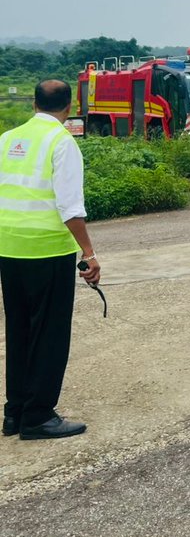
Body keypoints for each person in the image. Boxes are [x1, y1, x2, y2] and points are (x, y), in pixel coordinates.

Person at [0, 80, 101, 440]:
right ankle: (39, 415)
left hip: (10, 249)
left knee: (20, 331)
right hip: (47, 250)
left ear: (33, 102)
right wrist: (89, 253)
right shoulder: (62, 141)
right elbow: (70, 207)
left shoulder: (9, 138)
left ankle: (15, 413)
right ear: (69, 104)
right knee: (50, 335)